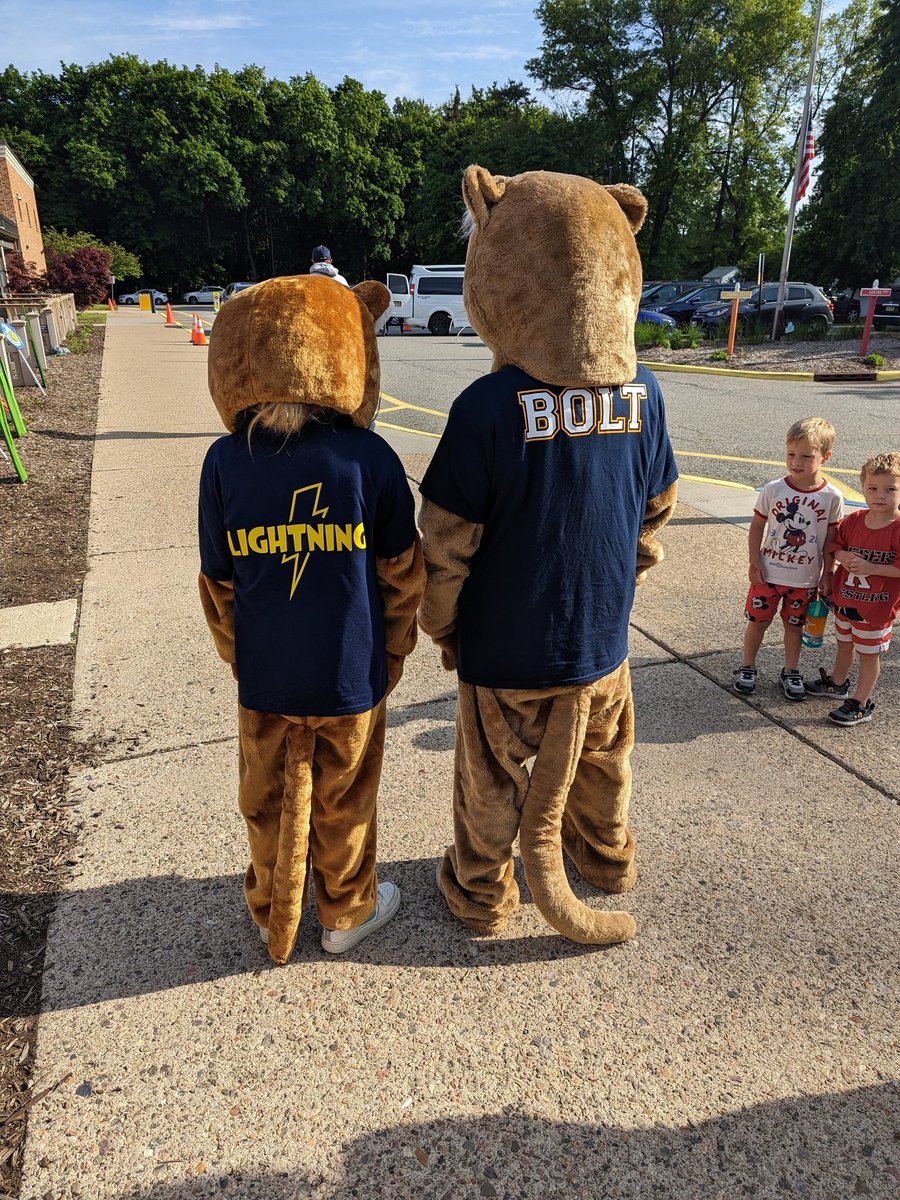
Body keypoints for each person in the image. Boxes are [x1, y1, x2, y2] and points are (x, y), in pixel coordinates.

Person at [198, 276, 424, 963]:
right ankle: (346, 910)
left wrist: (239, 656)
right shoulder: (372, 459)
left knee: (265, 798)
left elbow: (219, 584)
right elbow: (401, 574)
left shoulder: (224, 462)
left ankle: (272, 905)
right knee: (344, 800)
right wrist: (395, 651)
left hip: (265, 675)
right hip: (351, 671)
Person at [733, 417, 843, 701]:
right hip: (768, 574)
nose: (797, 462)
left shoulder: (831, 497)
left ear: (825, 457)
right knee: (757, 622)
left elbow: (832, 539)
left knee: (795, 625)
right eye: (791, 454)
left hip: (804, 578)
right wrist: (753, 561)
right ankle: (747, 666)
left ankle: (791, 670)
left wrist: (827, 573)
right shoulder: (774, 489)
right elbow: (757, 526)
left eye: (807, 456)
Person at [804, 451, 900, 725]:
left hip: (876, 608)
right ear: (863, 488)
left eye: (890, 489)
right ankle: (837, 682)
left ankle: (861, 701)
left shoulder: (897, 528)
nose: (880, 495)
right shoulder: (855, 520)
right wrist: (843, 557)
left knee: (869, 655)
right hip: (846, 600)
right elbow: (835, 545)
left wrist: (873, 568)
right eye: (873, 488)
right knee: (844, 644)